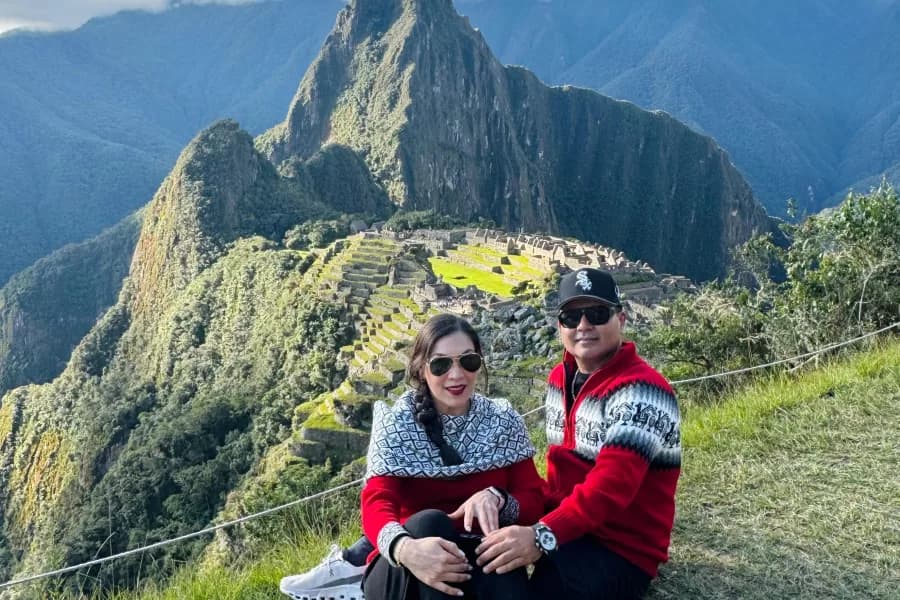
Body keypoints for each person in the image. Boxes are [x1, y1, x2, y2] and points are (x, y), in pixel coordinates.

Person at [281, 313, 545, 600]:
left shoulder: (502, 420)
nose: (456, 375)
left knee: (502, 564)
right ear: (421, 370)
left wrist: (499, 498)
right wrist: (404, 548)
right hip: (407, 565)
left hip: (479, 559)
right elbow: (377, 502)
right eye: (441, 364)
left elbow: (534, 497)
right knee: (430, 523)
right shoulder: (399, 423)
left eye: (467, 361)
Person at [474, 267, 682, 600]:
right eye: (571, 317)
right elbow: (557, 478)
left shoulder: (642, 393)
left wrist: (541, 536)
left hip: (620, 550)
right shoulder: (560, 379)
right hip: (567, 526)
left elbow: (609, 489)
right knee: (478, 543)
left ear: (621, 319)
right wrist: (501, 498)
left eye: (596, 314)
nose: (583, 326)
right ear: (560, 326)